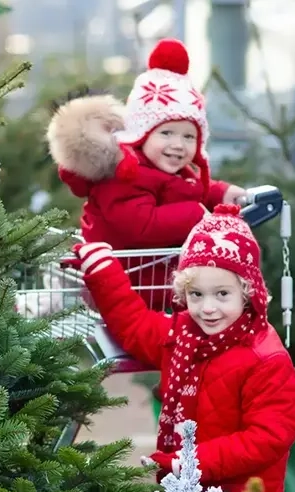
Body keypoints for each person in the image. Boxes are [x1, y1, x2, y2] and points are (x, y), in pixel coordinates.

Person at [73, 203, 295, 492]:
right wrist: (104, 273)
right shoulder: (182, 336)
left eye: (222, 294)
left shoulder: (265, 358)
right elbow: (135, 325)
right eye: (196, 295)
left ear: (248, 292)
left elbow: (267, 437)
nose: (207, 308)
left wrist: (192, 463)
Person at [47, 37, 246, 312]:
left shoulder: (162, 169)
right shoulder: (123, 176)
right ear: (141, 134)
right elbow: (141, 225)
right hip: (124, 288)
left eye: (189, 137)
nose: (178, 144)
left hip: (151, 285)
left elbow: (183, 189)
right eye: (167, 133)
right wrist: (195, 216)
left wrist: (220, 192)